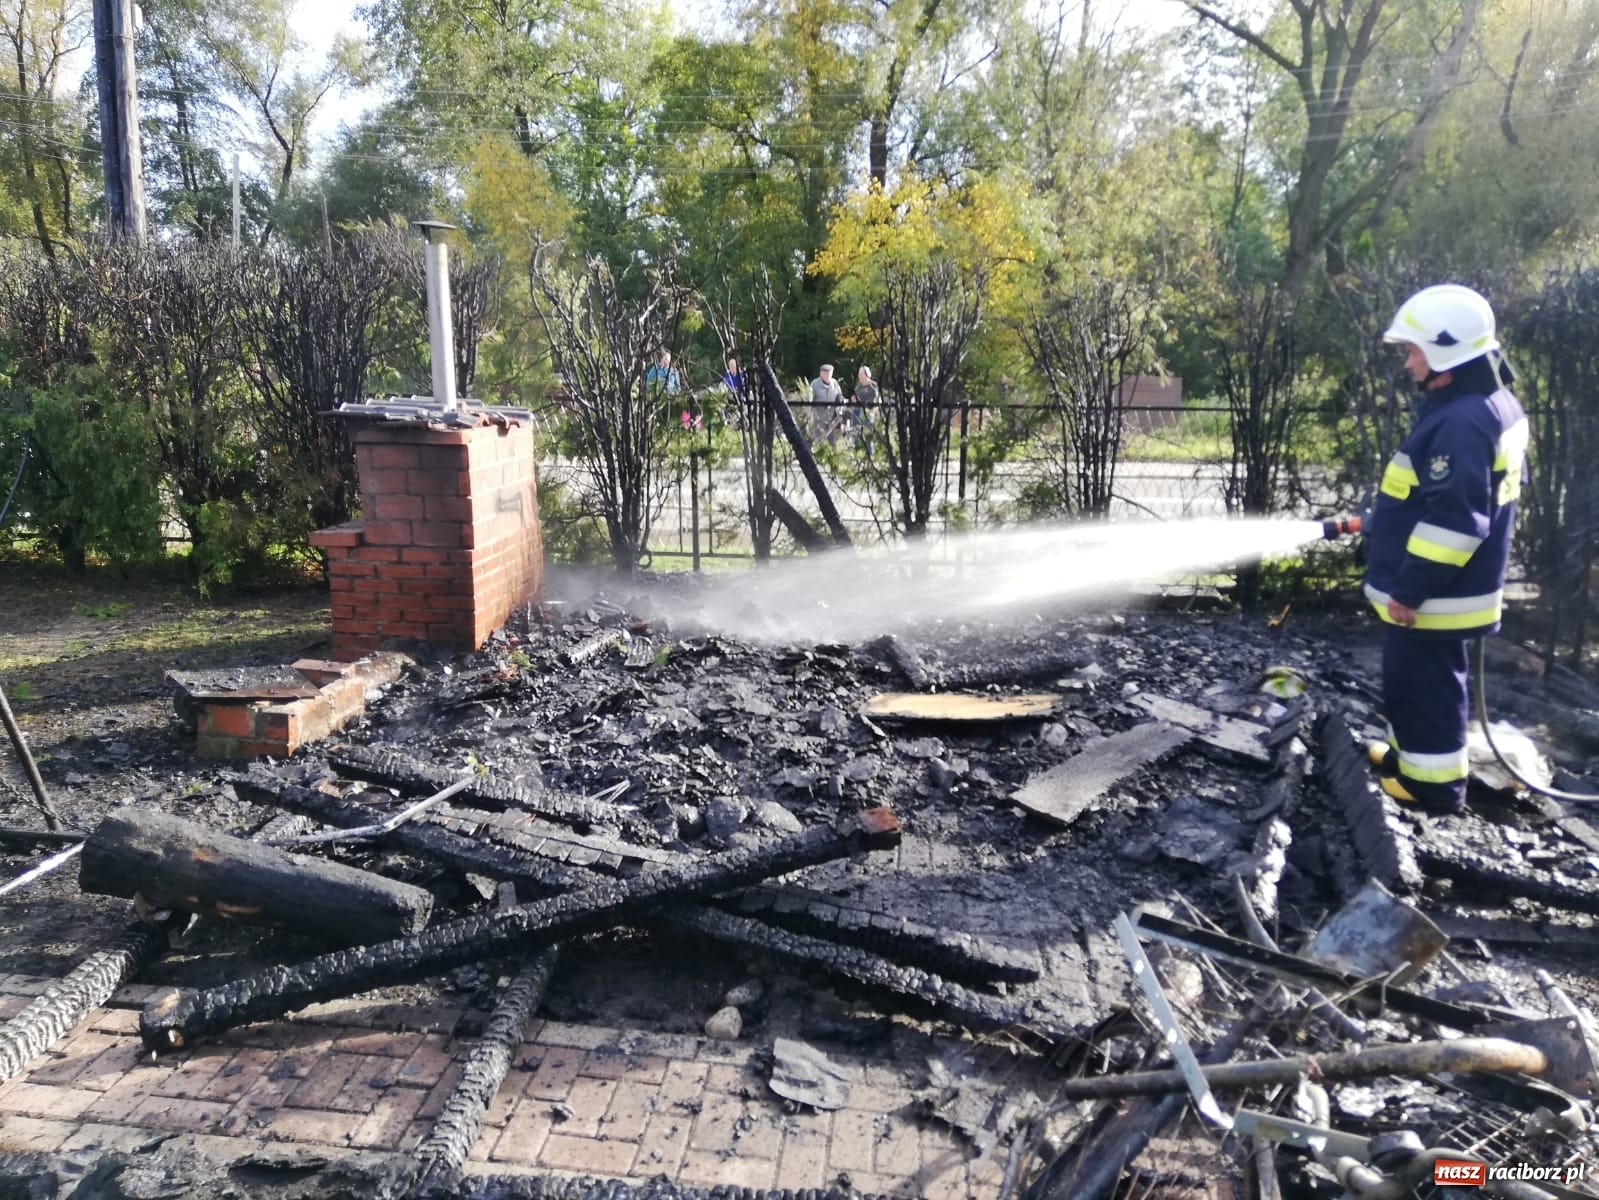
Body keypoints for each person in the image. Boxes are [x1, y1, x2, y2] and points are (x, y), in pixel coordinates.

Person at [1363, 284, 1529, 815]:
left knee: (1424, 688)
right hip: (1451, 590)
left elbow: (1458, 521)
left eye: (1413, 351)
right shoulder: (1482, 404)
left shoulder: (1462, 420)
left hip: (1436, 597)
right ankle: (1412, 761)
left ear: (1448, 352)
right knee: (1419, 684)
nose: (1407, 362)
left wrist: (1409, 590)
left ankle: (1432, 789)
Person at [810, 363, 843, 443]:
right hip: (818, 417)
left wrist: (840, 409)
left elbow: (839, 396)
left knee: (832, 441)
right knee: (818, 440)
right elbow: (809, 400)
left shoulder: (835, 384)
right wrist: (810, 414)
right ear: (821, 373)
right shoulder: (815, 384)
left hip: (831, 417)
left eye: (830, 373)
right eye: (826, 373)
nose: (828, 375)